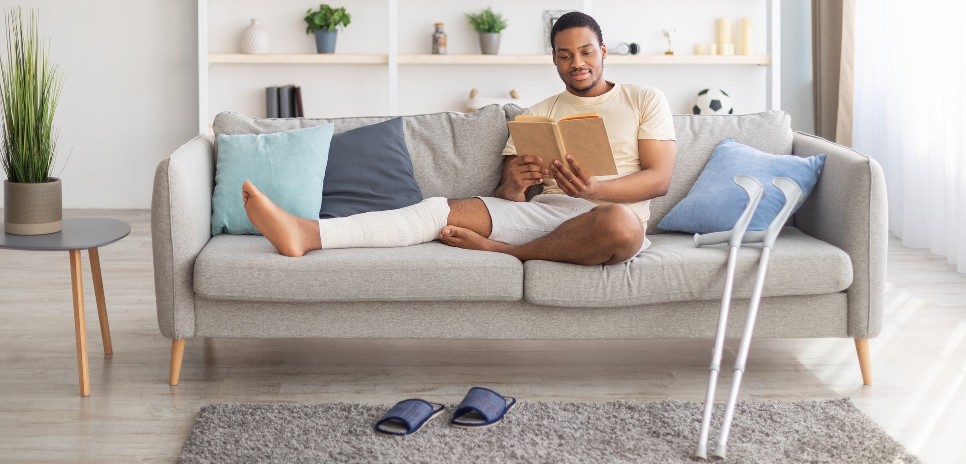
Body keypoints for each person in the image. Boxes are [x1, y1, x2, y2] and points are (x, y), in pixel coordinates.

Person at [242, 11, 677, 265]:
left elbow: (659, 179)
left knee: (617, 221)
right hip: (546, 214)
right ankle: (308, 234)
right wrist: (519, 180)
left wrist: (597, 188)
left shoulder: (644, 99)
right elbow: (509, 195)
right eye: (565, 56)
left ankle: (505, 252)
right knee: (436, 210)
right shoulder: (538, 113)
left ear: (603, 51)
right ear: (554, 61)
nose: (576, 63)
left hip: (611, 218)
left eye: (585, 52)